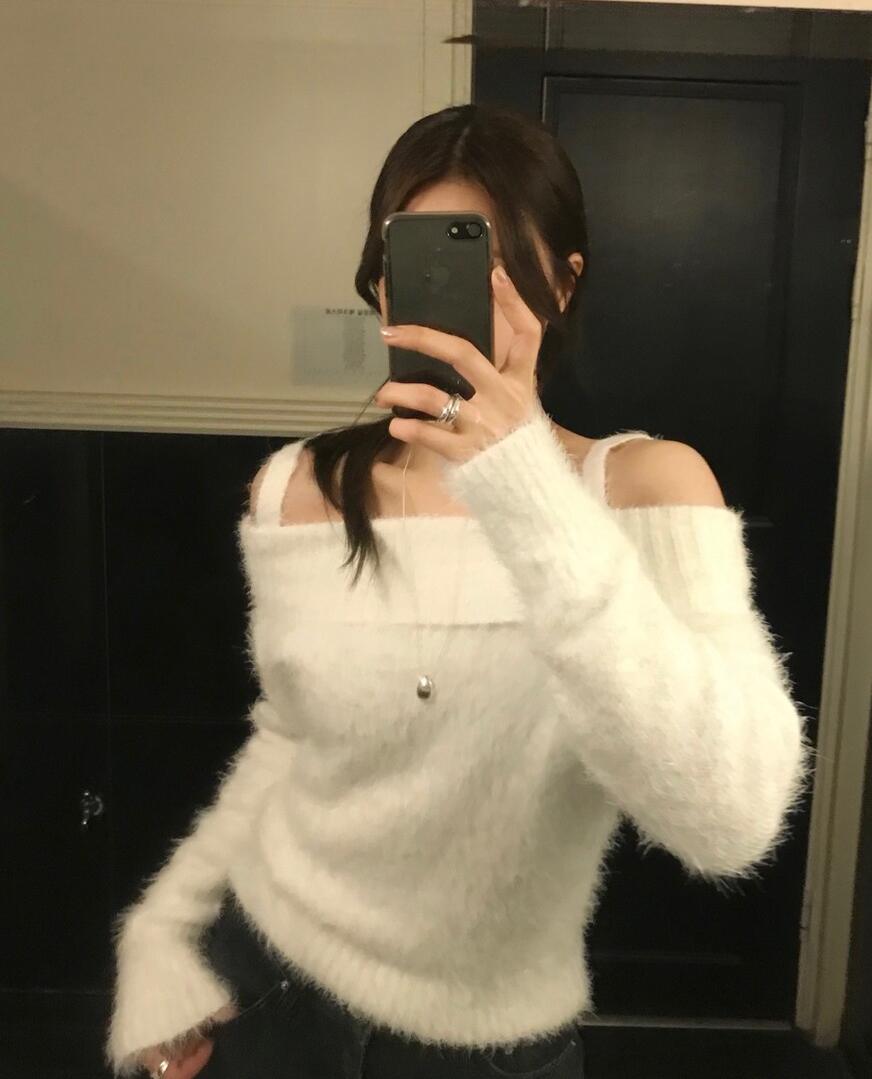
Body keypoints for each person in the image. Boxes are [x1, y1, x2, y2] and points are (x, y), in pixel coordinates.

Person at [106, 104, 810, 1079]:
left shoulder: (642, 489)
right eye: (421, 261)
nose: (457, 301)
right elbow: (289, 738)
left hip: (485, 1051)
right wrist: (165, 935)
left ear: (563, 282)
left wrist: (524, 489)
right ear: (381, 282)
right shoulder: (294, 489)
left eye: (495, 263)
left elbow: (730, 818)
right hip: (266, 990)